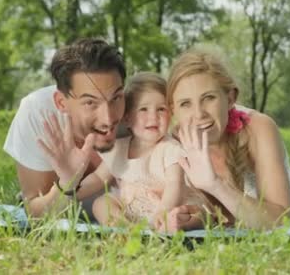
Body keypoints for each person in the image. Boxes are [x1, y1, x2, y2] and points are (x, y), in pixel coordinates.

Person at [164, 50, 290, 230]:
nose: (199, 114)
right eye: (185, 104)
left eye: (209, 98)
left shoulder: (258, 129)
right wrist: (189, 219)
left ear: (230, 98)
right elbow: (213, 215)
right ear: (173, 110)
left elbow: (280, 221)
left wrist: (216, 185)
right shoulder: (173, 145)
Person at [3, 38, 127, 218]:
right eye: (90, 102)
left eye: (116, 98)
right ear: (61, 102)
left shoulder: (139, 111)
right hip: (66, 205)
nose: (108, 119)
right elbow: (35, 214)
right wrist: (68, 183)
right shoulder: (38, 113)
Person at [88, 72, 209, 231]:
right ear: (127, 118)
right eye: (143, 109)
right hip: (132, 208)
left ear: (171, 115)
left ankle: (174, 226)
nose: (153, 116)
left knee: (192, 214)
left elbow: (175, 184)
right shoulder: (118, 148)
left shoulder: (171, 148)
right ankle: (121, 226)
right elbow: (98, 177)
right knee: (101, 203)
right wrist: (71, 189)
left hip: (169, 204)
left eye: (161, 109)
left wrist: (163, 212)